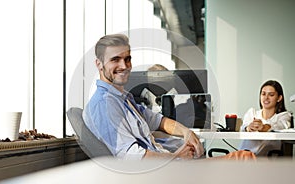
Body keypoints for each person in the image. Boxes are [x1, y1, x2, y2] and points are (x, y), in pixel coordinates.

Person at [83, 33, 255, 160]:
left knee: (246, 159)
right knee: (244, 159)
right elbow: (133, 157)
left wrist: (186, 132)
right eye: (115, 59)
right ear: (99, 64)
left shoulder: (123, 99)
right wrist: (175, 158)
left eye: (127, 59)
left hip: (172, 163)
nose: (124, 65)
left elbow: (158, 121)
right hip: (165, 173)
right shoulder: (104, 104)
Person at [239, 80, 291, 156]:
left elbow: (280, 126)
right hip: (243, 158)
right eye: (263, 94)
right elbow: (243, 128)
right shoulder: (252, 113)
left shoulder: (284, 116)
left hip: (267, 162)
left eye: (271, 95)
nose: (266, 98)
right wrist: (248, 128)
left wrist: (264, 127)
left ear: (279, 98)